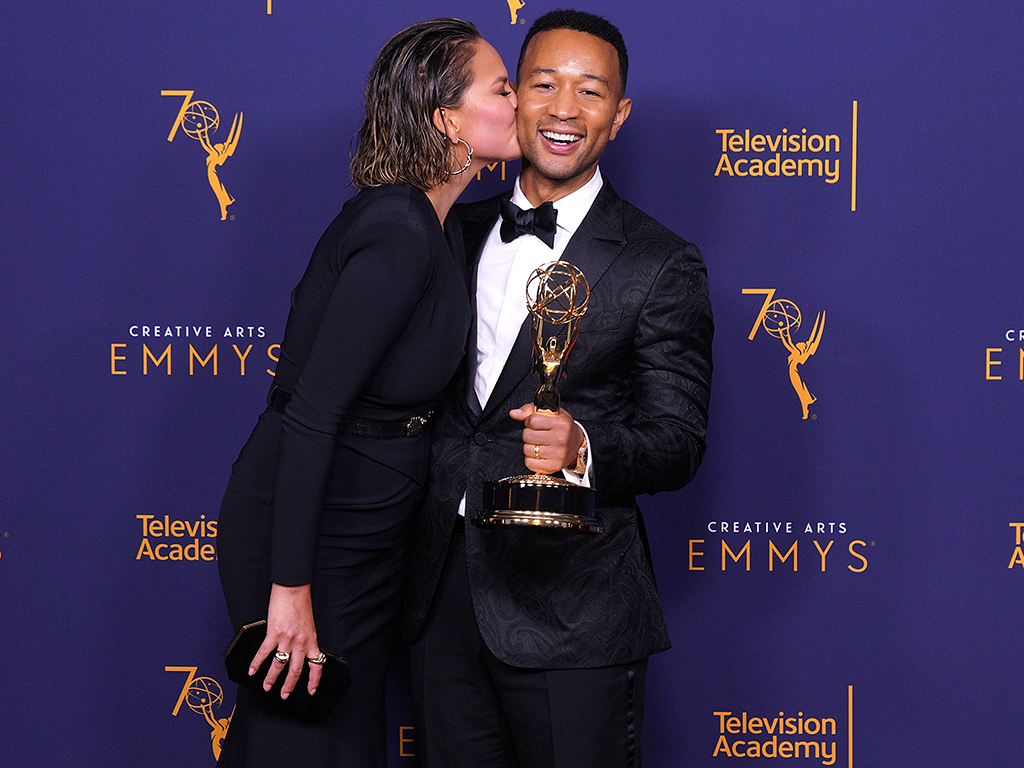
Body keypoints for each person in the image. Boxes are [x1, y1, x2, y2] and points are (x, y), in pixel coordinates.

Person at [405, 9, 713, 768]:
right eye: (544, 84)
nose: (564, 109)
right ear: (513, 98)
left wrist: (585, 446)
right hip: (439, 594)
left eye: (590, 90)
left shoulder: (661, 262)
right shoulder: (447, 232)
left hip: (575, 609)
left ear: (619, 114)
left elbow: (678, 441)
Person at [215, 18, 519, 768]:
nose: (522, 103)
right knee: (305, 743)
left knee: (335, 741)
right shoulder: (398, 229)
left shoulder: (440, 227)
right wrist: (291, 589)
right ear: (449, 119)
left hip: (372, 525)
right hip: (317, 532)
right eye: (503, 89)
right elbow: (312, 414)